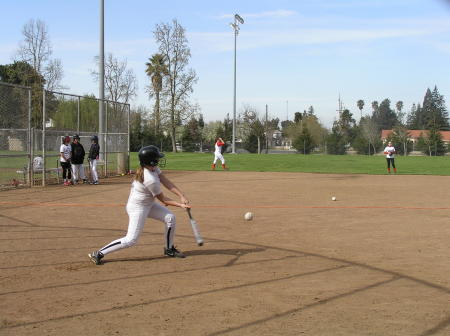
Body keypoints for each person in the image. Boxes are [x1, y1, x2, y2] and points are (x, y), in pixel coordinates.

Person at [88, 145, 190, 265]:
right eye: (157, 158)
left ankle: (169, 249)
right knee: (131, 240)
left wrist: (181, 195)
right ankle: (98, 253)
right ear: (150, 161)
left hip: (148, 204)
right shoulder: (149, 178)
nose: (158, 160)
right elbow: (164, 200)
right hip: (138, 208)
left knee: (170, 218)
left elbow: (165, 181)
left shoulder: (153, 168)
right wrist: (181, 205)